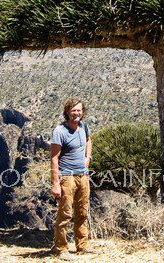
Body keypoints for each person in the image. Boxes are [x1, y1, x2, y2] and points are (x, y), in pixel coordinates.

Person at [50, 97, 93, 259]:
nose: (76, 113)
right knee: (65, 213)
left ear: (83, 113)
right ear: (67, 112)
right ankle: (61, 248)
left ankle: (82, 246)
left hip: (83, 175)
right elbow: (54, 158)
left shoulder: (84, 126)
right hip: (67, 177)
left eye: (79, 110)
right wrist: (55, 184)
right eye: (73, 110)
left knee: (82, 212)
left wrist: (88, 157)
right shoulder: (60, 131)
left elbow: (89, 141)